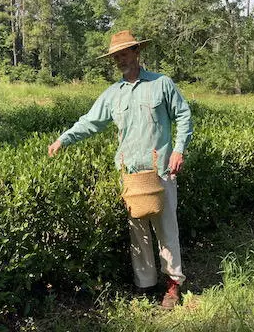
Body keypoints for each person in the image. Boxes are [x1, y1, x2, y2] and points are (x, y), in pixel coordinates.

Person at [48, 30, 193, 309]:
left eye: (124, 53)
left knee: (166, 229)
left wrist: (178, 149)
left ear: (137, 52)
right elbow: (90, 121)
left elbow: (183, 116)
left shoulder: (161, 83)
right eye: (116, 56)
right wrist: (63, 139)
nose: (120, 60)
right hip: (130, 174)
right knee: (137, 231)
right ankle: (145, 285)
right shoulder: (113, 94)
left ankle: (173, 285)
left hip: (161, 170)